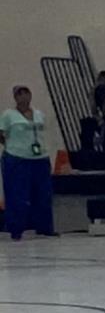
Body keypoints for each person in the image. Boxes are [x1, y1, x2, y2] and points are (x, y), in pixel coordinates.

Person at [1, 85, 55, 240]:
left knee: (43, 194)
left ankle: (45, 227)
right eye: (20, 94)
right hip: (17, 158)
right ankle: (16, 228)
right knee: (17, 194)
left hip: (39, 158)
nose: (23, 97)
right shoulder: (9, 115)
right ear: (15, 97)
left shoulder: (39, 114)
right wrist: (10, 145)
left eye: (26, 93)